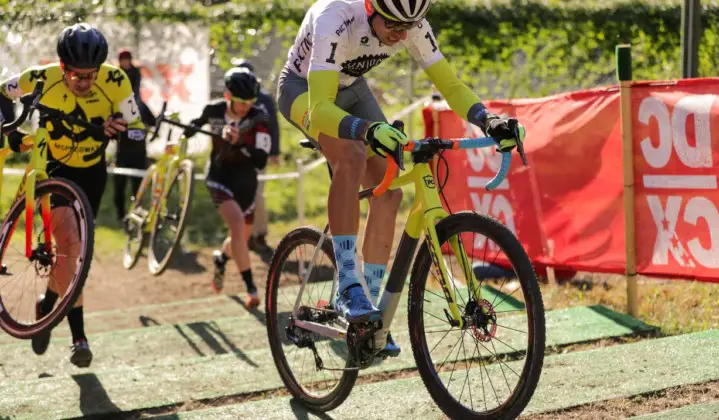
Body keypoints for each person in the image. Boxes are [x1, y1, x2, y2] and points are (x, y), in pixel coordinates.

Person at [277, 0, 525, 357]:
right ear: (370, 8)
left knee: (390, 191)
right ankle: (348, 284)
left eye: (408, 26)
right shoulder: (337, 17)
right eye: (393, 25)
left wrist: (488, 120)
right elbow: (321, 109)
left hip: (351, 87)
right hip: (303, 90)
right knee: (352, 156)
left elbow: (451, 86)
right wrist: (367, 129)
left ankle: (371, 314)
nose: (400, 35)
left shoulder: (411, 24)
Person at [0, 23, 146, 367]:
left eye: (90, 75)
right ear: (62, 68)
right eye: (77, 75)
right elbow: (2, 94)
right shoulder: (38, 76)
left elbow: (138, 131)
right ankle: (78, 336)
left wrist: (120, 129)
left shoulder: (115, 81)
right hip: (53, 170)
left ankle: (48, 302)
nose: (84, 82)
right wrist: (11, 133)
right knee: (71, 248)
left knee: (69, 255)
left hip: (92, 172)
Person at [184, 67, 271, 309]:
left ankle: (221, 259)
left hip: (246, 183)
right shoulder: (213, 111)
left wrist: (240, 141)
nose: (245, 107)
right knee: (235, 226)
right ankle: (251, 288)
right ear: (227, 96)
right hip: (219, 178)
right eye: (240, 102)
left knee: (239, 239)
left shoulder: (259, 117)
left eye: (249, 102)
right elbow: (196, 124)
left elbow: (261, 159)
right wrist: (189, 129)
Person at [237, 60, 280, 257]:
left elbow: (273, 126)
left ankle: (259, 235)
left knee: (257, 194)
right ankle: (246, 235)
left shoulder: (263, 98)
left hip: (259, 153)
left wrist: (274, 152)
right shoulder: (233, 99)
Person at [113, 49, 150, 223]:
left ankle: (138, 215)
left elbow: (153, 122)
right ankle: (121, 217)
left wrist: (146, 131)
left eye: (127, 59)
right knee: (119, 188)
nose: (125, 62)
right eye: (123, 59)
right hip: (122, 152)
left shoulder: (141, 105)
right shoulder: (116, 75)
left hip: (139, 153)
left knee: (138, 188)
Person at [118, 49, 156, 126]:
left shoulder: (135, 71)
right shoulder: (117, 72)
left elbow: (136, 86)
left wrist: (133, 96)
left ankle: (150, 122)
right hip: (121, 98)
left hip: (134, 96)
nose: (125, 63)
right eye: (123, 61)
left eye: (126, 60)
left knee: (139, 105)